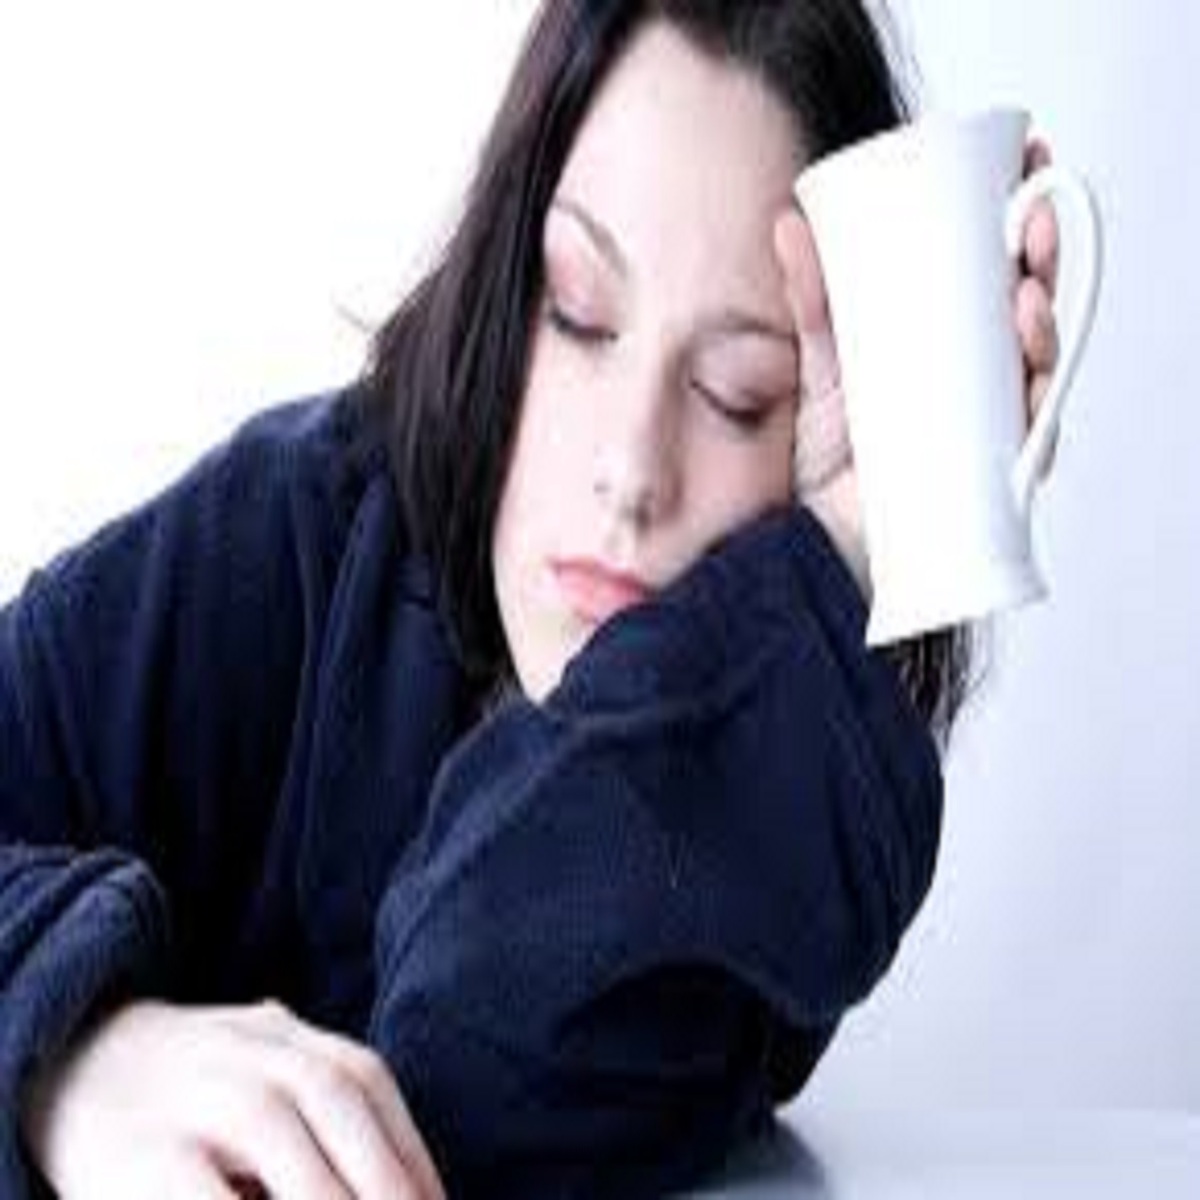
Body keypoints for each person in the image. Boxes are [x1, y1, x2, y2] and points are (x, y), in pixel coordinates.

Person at [0, 1, 1063, 1196]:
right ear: (503, 286)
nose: (631, 468)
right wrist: (70, 1056)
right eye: (577, 313)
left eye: (738, 392)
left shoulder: (786, 765)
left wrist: (850, 544)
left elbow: (469, 1056)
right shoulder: (284, 536)